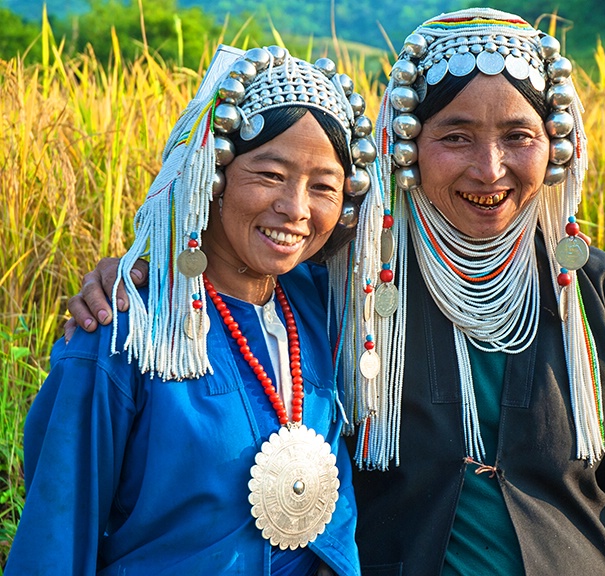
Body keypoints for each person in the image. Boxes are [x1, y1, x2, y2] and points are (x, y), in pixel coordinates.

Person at [63, 8, 605, 575]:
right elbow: (234, 269)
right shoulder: (343, 278)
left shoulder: (591, 293)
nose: (489, 169)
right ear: (406, 146)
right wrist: (138, 272)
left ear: (553, 146)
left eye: (517, 136)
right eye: (455, 137)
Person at [5, 44, 381, 575]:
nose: (295, 209)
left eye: (323, 186)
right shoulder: (123, 333)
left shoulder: (323, 310)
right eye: (270, 175)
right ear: (212, 174)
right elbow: (56, 537)